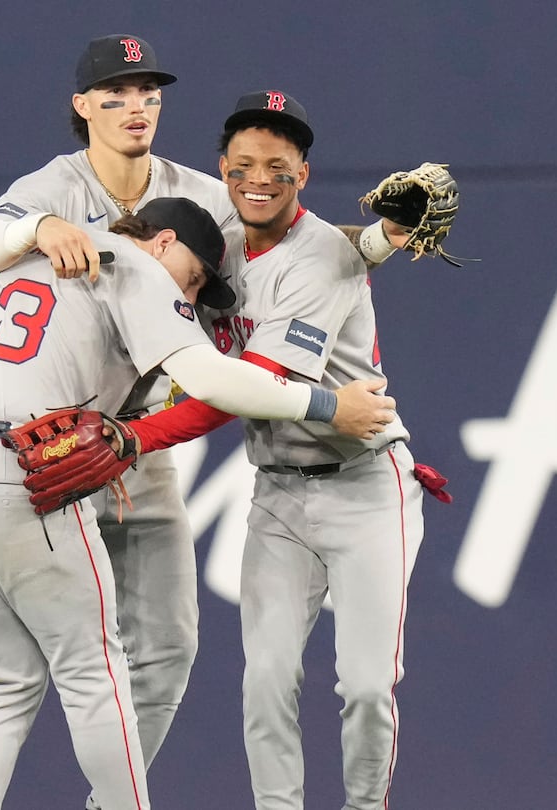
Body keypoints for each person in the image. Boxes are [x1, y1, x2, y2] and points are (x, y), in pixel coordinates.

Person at [0, 36, 415, 810]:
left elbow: (286, 234)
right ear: (83, 106)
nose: (135, 106)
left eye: (148, 92)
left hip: (139, 447)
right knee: (45, 664)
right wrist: (33, 230)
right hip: (58, 450)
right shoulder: (53, 189)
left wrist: (370, 243)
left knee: (167, 649)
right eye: (116, 92)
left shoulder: (196, 194)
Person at [125, 91, 429, 809]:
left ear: (304, 174)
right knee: (264, 681)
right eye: (245, 165)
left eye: (279, 166)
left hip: (364, 485)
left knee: (364, 686)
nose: (260, 178)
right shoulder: (220, 230)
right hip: (279, 493)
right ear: (222, 169)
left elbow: (248, 389)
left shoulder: (317, 259)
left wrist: (127, 440)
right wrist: (380, 239)